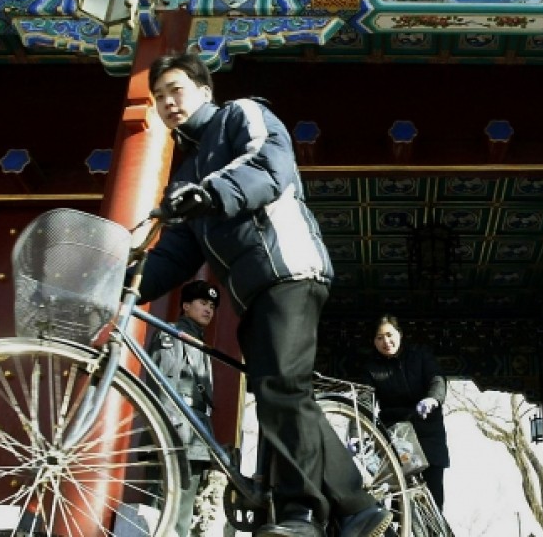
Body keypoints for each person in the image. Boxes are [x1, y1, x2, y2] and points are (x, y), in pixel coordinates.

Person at [137, 52, 392, 537]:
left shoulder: (241, 114)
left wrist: (210, 192)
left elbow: (268, 165)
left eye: (176, 90)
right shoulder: (187, 169)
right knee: (279, 392)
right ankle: (356, 508)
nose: (168, 102)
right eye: (159, 97)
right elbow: (178, 250)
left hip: (288, 267)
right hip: (252, 292)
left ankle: (303, 514)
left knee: (280, 388)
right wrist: (128, 282)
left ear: (204, 91)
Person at [147, 279, 219, 537]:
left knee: (183, 516)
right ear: (186, 306)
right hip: (174, 432)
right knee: (163, 510)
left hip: (196, 435)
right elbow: (163, 387)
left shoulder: (200, 343)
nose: (208, 309)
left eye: (212, 306)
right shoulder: (171, 336)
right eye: (203, 303)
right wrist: (168, 436)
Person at [362, 315, 450, 511]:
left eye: (389, 335)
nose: (386, 342)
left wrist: (432, 399)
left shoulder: (420, 355)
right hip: (396, 436)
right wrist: (356, 432)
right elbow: (364, 401)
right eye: (379, 338)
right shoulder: (371, 368)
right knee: (399, 502)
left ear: (399, 334)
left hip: (428, 431)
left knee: (434, 500)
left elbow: (437, 379)